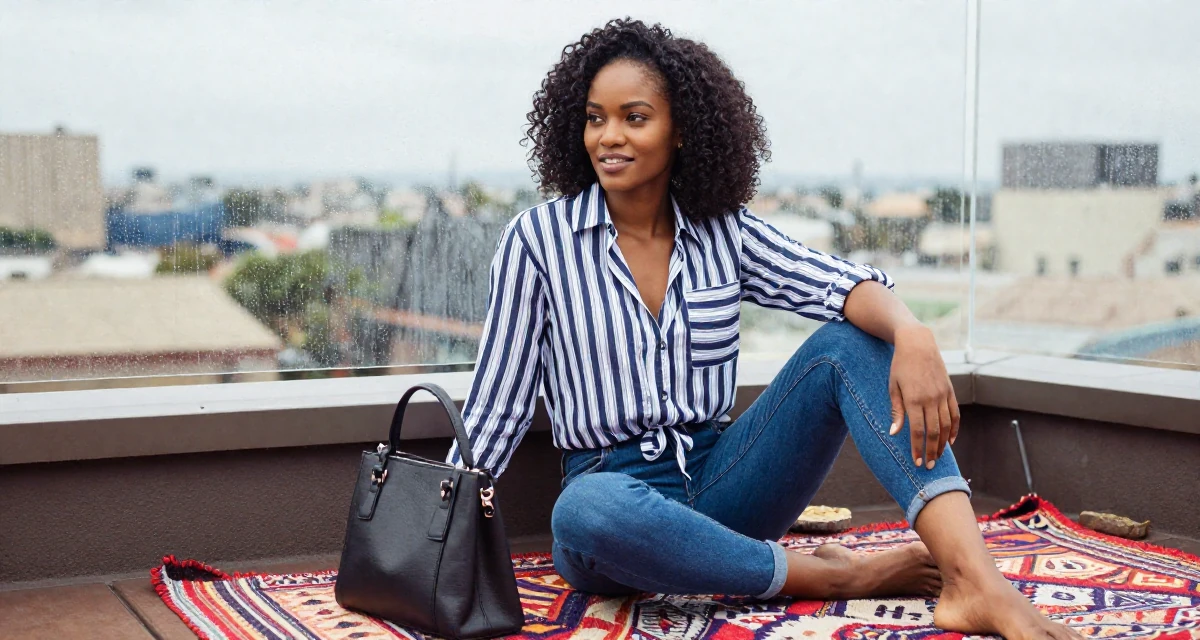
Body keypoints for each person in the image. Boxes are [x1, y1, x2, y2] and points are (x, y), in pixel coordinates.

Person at [447, 18, 1082, 640]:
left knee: (846, 344)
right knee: (583, 511)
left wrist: (914, 333)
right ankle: (835, 579)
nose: (609, 136)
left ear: (682, 132)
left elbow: (844, 285)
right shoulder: (537, 241)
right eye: (595, 117)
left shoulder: (725, 232)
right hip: (613, 509)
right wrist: (438, 525)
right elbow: (497, 405)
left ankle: (976, 583)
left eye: (634, 117)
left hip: (724, 481)